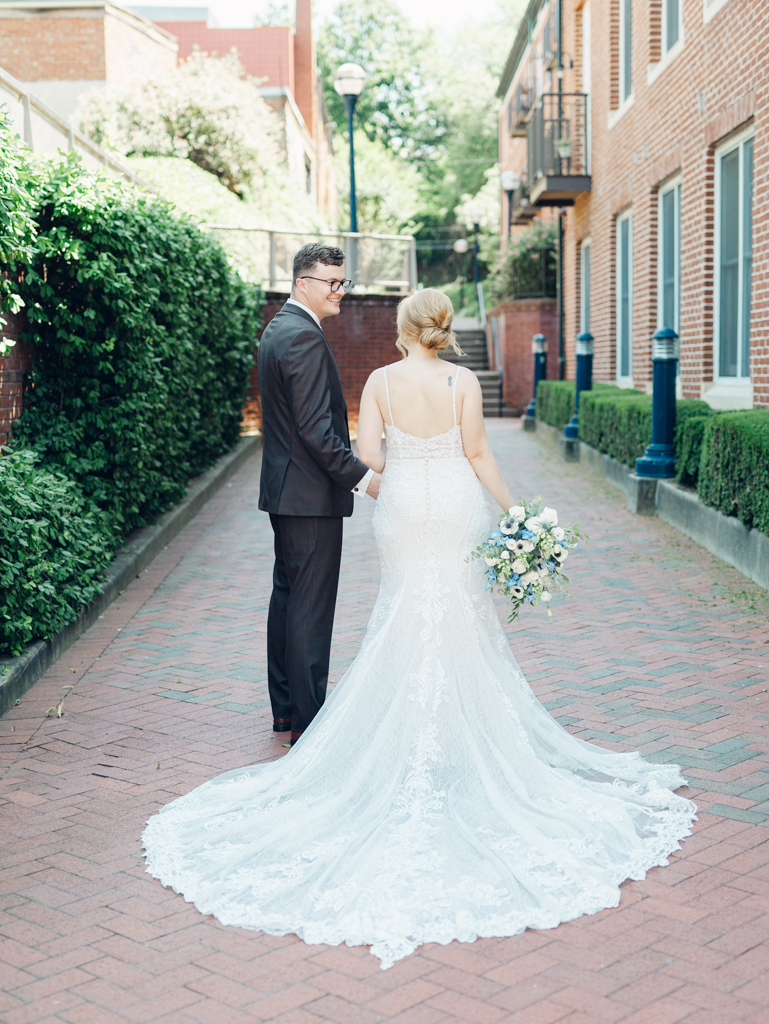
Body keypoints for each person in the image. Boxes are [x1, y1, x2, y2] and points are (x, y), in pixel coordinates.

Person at [143, 288, 696, 970]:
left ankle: (402, 739)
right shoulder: (462, 381)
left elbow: (368, 454)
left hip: (402, 508)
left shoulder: (377, 381)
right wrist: (518, 513)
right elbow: (478, 455)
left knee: (403, 614)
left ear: (402, 329)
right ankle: (461, 743)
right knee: (459, 621)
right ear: (443, 330)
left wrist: (401, 462)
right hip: (458, 507)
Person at [257, 244, 380, 746]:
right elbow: (315, 431)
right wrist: (365, 479)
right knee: (309, 608)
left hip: (288, 494)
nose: (340, 292)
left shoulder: (279, 329)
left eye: (343, 282)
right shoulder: (303, 337)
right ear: (302, 283)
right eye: (331, 283)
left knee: (288, 601)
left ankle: (287, 713)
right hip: (309, 497)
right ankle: (309, 725)